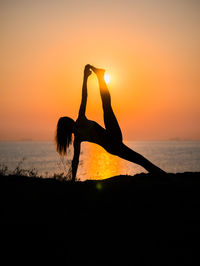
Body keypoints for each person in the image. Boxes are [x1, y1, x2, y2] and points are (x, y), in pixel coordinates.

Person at [56, 64, 165, 181]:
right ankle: (100, 77)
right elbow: (84, 96)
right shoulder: (80, 120)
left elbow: (75, 160)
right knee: (106, 106)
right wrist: (85, 76)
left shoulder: (77, 138)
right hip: (113, 138)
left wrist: (73, 180)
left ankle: (164, 177)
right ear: (69, 123)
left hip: (112, 148)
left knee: (141, 160)